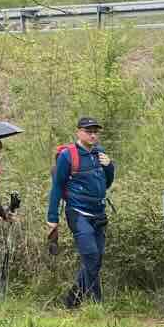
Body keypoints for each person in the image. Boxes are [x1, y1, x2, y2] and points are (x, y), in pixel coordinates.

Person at [47, 116, 116, 308]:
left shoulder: (99, 153)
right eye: (88, 131)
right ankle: (85, 302)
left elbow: (106, 183)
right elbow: (57, 187)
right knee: (91, 256)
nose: (93, 135)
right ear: (79, 132)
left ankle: (83, 302)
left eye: (95, 131)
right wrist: (52, 218)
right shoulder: (68, 156)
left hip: (99, 214)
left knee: (95, 260)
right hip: (78, 213)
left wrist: (109, 166)